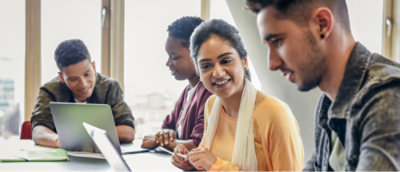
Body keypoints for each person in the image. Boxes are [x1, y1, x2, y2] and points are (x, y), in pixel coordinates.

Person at [246, 0, 400, 171]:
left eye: (277, 42)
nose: (271, 63)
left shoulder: (387, 98)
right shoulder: (327, 103)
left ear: (322, 25)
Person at [172, 19, 304, 171]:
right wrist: (191, 160)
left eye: (226, 60)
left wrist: (215, 165)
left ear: (244, 62)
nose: (218, 73)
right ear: (199, 73)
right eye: (206, 66)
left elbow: (214, 164)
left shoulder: (275, 114)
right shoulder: (212, 105)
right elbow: (207, 158)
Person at [31, 39, 135, 148]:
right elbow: (38, 131)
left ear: (93, 67)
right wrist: (61, 142)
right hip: (65, 159)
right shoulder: (50, 91)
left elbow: (128, 132)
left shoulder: (110, 87)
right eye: (73, 79)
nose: (83, 84)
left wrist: (80, 139)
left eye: (87, 74)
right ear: (62, 77)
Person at [141, 16, 212, 151]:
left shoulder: (210, 93)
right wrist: (165, 136)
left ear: (198, 53)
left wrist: (159, 141)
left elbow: (199, 145)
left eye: (174, 57)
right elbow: (167, 128)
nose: (168, 63)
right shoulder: (187, 92)